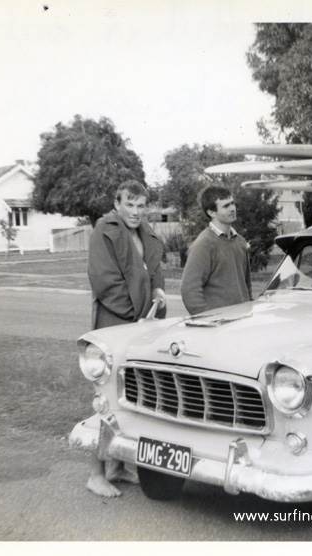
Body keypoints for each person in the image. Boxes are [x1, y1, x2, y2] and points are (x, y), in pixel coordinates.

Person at [86, 179, 167, 497]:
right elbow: (105, 282)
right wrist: (136, 317)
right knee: (105, 399)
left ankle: (119, 466)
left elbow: (154, 268)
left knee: (133, 396)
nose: (136, 211)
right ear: (117, 204)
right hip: (117, 324)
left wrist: (159, 289)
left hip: (142, 324)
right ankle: (95, 474)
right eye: (129, 204)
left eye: (141, 205)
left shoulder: (145, 231)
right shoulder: (104, 230)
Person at [181, 185, 252, 315]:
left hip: (242, 322)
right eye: (226, 206)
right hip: (218, 327)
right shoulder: (203, 245)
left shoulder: (240, 242)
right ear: (211, 212)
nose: (232, 209)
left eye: (232, 203)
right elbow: (189, 290)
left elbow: (246, 285)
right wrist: (208, 319)